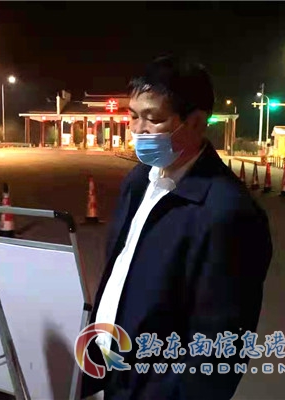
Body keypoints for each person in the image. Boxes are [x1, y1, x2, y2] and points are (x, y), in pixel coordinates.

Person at [81, 56, 272, 399]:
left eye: (153, 119)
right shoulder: (139, 181)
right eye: (133, 116)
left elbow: (219, 348)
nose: (138, 130)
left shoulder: (228, 212)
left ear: (196, 122)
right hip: (109, 375)